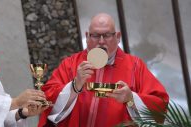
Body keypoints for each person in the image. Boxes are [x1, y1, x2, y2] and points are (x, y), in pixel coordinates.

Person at [38, 13, 169, 127]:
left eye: (106, 35)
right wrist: (74, 86)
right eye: (95, 35)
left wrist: (131, 98)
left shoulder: (135, 66)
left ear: (118, 37)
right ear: (87, 36)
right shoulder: (71, 64)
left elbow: (160, 105)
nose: (101, 41)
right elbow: (47, 102)